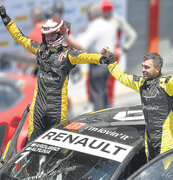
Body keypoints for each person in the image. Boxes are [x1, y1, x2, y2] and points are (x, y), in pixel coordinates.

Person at [0, 5, 112, 142]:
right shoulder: (40, 49)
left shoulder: (68, 54)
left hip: (57, 108)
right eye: (47, 35)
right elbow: (20, 38)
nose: (49, 38)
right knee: (32, 142)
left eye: (53, 35)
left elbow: (87, 56)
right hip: (38, 108)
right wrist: (6, 19)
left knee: (57, 144)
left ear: (61, 34)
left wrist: (104, 57)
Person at [101, 47, 173, 161]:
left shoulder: (166, 84)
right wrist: (110, 58)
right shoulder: (141, 83)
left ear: (157, 68)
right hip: (149, 138)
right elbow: (121, 76)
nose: (143, 70)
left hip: (167, 140)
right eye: (142, 66)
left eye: (147, 67)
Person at [77, 4, 116, 111]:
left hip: (98, 65)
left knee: (97, 94)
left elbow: (81, 45)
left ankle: (100, 120)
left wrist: (68, 37)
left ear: (90, 16)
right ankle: (109, 115)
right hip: (109, 64)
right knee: (104, 91)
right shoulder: (108, 25)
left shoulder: (94, 27)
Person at [100, 0, 137, 107]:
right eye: (104, 10)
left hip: (113, 55)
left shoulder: (117, 20)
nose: (106, 12)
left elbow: (132, 34)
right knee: (99, 82)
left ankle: (109, 105)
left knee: (110, 82)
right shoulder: (99, 21)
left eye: (108, 10)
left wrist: (123, 49)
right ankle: (100, 106)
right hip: (100, 55)